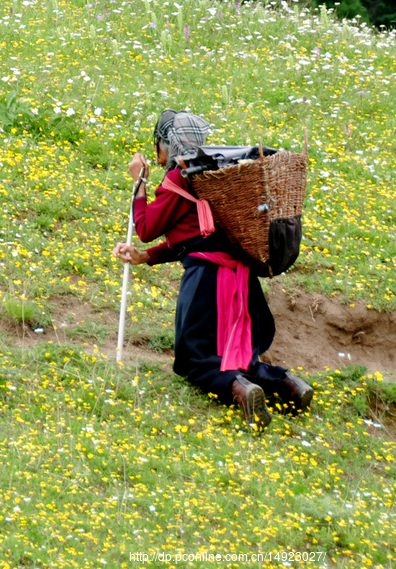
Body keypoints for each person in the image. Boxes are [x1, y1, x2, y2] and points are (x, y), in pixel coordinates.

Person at [112, 110, 313, 428]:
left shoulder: (181, 176)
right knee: (240, 357)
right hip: (241, 278)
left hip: (207, 279)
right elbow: (194, 237)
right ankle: (289, 385)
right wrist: (145, 257)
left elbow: (146, 226)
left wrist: (140, 183)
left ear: (166, 145)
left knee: (196, 358)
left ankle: (240, 390)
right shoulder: (217, 173)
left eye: (158, 145)